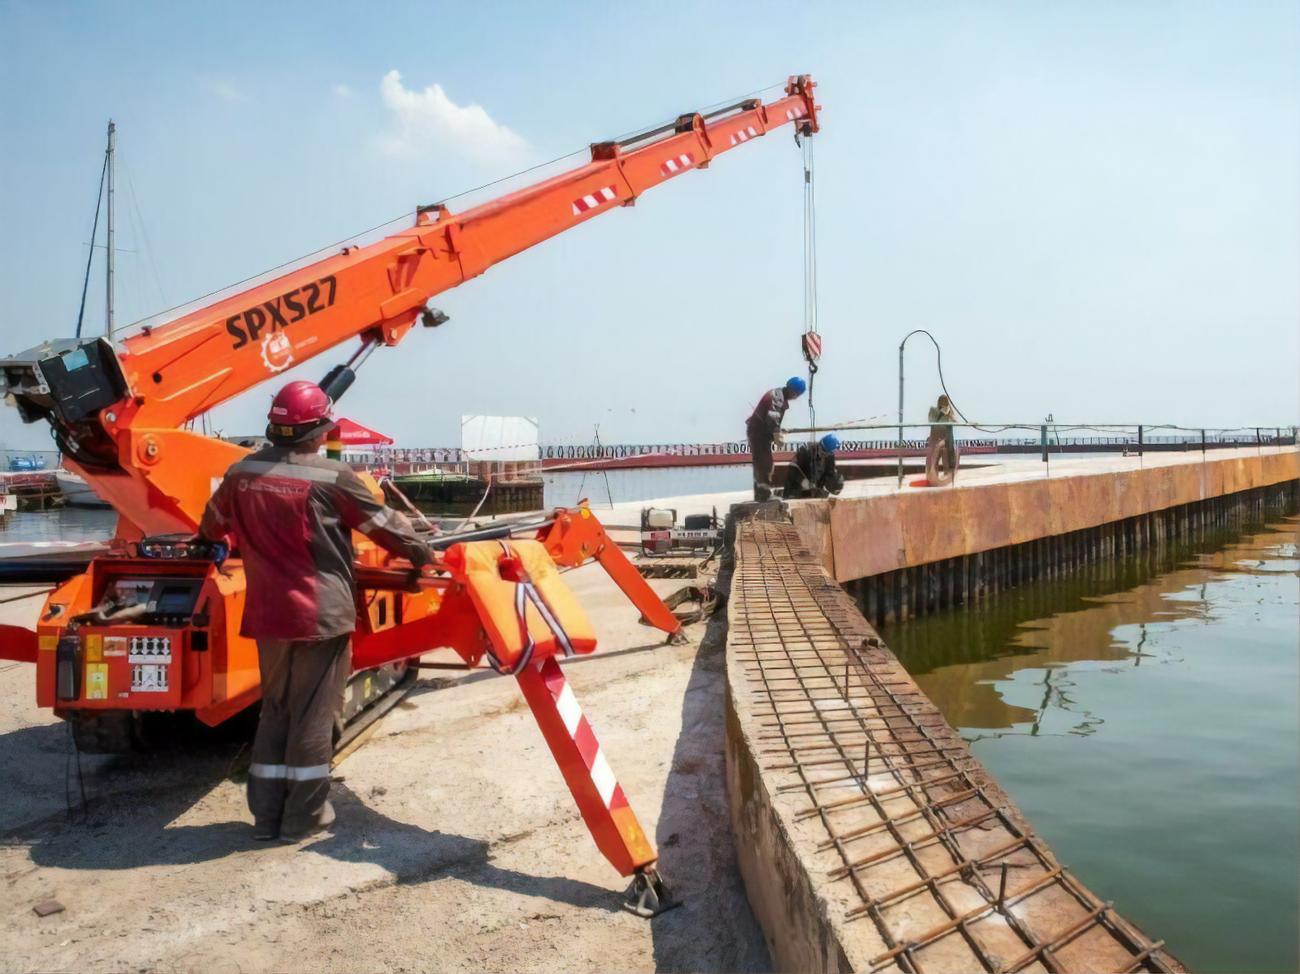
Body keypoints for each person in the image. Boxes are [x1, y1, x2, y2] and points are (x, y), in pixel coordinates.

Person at [199, 380, 433, 843]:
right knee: (313, 715)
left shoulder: (240, 473)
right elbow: (390, 530)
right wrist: (427, 555)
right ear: (320, 431)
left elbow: (211, 526)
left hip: (267, 614)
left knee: (277, 710)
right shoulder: (333, 478)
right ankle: (303, 819)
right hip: (319, 615)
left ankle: (266, 818)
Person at [746, 376, 806, 501]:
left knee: (763, 462)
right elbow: (772, 418)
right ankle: (763, 495)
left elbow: (773, 419)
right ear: (794, 393)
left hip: (759, 432)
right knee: (764, 463)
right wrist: (777, 434)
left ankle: (761, 494)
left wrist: (778, 430)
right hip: (758, 433)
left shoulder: (778, 394)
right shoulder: (777, 398)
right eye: (797, 395)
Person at [783, 434, 845, 499]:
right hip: (796, 490)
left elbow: (830, 472)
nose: (823, 454)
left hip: (815, 489)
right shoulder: (805, 451)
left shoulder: (830, 456)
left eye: (826, 453)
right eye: (822, 450)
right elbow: (792, 469)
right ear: (820, 445)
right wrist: (803, 482)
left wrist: (835, 484)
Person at [926, 394, 959, 482]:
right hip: (936, 437)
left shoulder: (949, 411)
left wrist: (949, 414)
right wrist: (941, 412)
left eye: (946, 401)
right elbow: (931, 420)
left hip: (946, 437)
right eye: (943, 401)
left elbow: (955, 421)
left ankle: (947, 476)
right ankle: (934, 477)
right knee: (934, 459)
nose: (944, 403)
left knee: (946, 457)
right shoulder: (933, 410)